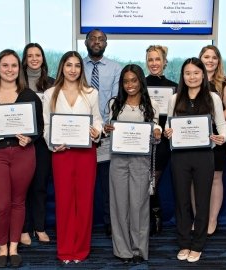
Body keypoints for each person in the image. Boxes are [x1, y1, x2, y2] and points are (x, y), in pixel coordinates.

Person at [0, 49, 43, 267]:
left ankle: (13, 248)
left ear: (18, 69)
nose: (10, 70)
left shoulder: (29, 96)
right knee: (1, 204)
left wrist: (29, 139)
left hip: (23, 154)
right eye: (5, 65)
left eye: (14, 65)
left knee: (18, 202)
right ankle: (1, 248)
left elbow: (38, 127)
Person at [164, 57, 226, 262]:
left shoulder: (213, 98)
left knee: (202, 201)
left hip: (204, 156)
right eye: (187, 73)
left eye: (196, 73)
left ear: (203, 74)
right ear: (183, 76)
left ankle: (198, 244)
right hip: (180, 156)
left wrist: (223, 137)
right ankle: (184, 243)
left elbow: (222, 124)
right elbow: (167, 125)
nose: (192, 77)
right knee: (181, 200)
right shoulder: (175, 98)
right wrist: (168, 132)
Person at [43, 51, 102, 264]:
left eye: (77, 65)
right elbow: (47, 125)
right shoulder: (50, 94)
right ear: (62, 67)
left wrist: (96, 131)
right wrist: (52, 143)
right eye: (69, 65)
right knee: (65, 202)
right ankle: (66, 250)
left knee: (85, 202)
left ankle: (81, 250)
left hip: (86, 153)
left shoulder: (91, 92)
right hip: (62, 154)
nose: (73, 69)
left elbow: (97, 119)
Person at [104, 64, 162, 263]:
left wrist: (157, 132)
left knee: (139, 205)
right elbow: (106, 130)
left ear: (141, 82)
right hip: (118, 160)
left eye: (134, 80)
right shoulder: (114, 103)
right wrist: (107, 129)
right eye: (126, 81)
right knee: (119, 205)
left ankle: (138, 249)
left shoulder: (151, 104)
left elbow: (156, 131)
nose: (130, 85)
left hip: (140, 160)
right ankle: (123, 251)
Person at [190, 45, 226, 236]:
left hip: (217, 135)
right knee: (193, 178)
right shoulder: (191, 79)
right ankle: (197, 217)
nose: (210, 60)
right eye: (206, 56)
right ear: (200, 58)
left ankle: (212, 219)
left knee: (216, 178)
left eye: (214, 57)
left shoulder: (225, 82)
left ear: (219, 61)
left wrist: (211, 117)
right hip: (193, 137)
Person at [83, 28, 122, 237]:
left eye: (101, 39)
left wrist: (108, 124)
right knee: (84, 184)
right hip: (81, 134)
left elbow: (117, 99)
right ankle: (84, 224)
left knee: (108, 185)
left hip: (106, 134)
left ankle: (109, 223)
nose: (97, 42)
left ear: (106, 44)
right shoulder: (76, 66)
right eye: (93, 38)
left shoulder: (116, 68)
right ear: (86, 42)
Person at [20, 42, 55, 245]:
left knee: (40, 186)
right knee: (22, 187)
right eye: (30, 55)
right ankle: (24, 229)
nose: (34, 59)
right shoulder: (17, 83)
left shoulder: (51, 83)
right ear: (25, 59)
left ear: (43, 59)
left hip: (43, 142)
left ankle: (40, 227)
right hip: (21, 141)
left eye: (38, 55)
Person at [145, 45, 178, 235]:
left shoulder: (174, 87)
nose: (154, 63)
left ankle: (155, 216)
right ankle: (148, 217)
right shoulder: (140, 85)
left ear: (165, 62)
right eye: (150, 59)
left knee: (152, 182)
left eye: (158, 59)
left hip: (163, 142)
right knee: (142, 182)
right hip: (141, 140)